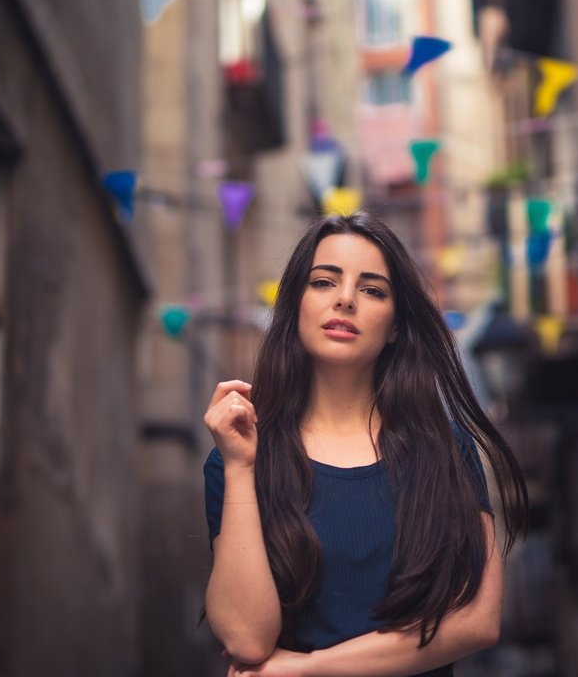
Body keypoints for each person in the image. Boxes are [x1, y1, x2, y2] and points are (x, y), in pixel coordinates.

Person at [203, 212, 527, 676]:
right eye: (323, 283)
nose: (346, 300)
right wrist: (238, 468)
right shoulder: (237, 460)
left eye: (372, 289)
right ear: (294, 305)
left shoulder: (444, 449)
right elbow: (248, 638)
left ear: (395, 326)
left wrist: (304, 670)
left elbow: (477, 621)